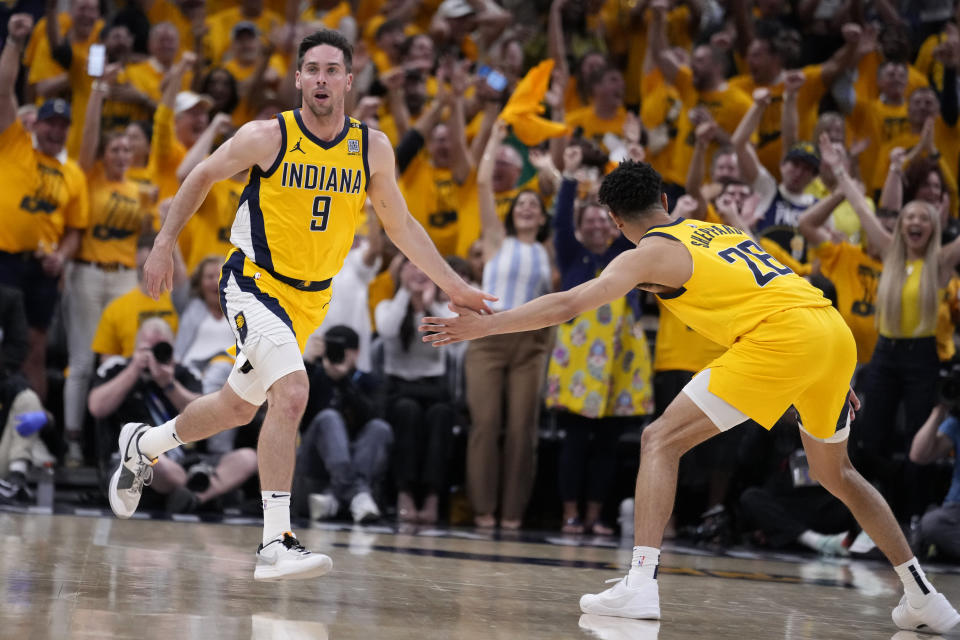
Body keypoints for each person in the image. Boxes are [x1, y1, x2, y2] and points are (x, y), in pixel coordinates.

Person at [421, 159, 960, 634]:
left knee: (659, 440)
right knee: (835, 472)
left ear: (615, 221)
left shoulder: (647, 255)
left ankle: (640, 583)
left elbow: (567, 303)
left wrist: (482, 328)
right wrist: (830, 369)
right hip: (829, 330)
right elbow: (781, 285)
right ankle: (923, 597)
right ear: (663, 200)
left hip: (781, 338)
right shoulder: (714, 230)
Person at [108, 28, 491, 582]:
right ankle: (276, 540)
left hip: (311, 300)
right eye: (311, 69)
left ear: (349, 80)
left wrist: (454, 286)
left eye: (332, 70)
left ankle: (143, 443)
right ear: (297, 79)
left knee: (237, 408)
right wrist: (165, 242)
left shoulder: (372, 147)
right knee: (292, 392)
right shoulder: (268, 136)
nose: (321, 79)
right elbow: (202, 173)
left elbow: (401, 225)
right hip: (253, 281)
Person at [295, 325, 390, 525]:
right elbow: (295, 414)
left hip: (357, 459)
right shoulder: (313, 377)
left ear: (356, 353)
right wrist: (308, 363)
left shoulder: (366, 382)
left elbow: (372, 416)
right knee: (329, 417)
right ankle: (357, 495)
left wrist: (345, 381)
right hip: (314, 462)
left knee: (379, 428)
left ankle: (335, 497)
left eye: (341, 350)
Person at [909, 402, 960, 561]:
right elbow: (919, 455)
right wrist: (939, 410)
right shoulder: (956, 422)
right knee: (931, 524)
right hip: (955, 511)